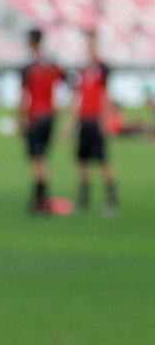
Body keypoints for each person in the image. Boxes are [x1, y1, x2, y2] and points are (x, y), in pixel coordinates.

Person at [70, 30, 118, 215]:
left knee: (102, 161)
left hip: (96, 121)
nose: (88, 46)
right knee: (82, 162)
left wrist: (105, 120)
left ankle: (112, 200)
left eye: (91, 42)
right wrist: (72, 123)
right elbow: (78, 98)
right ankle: (83, 201)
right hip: (84, 120)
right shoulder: (82, 70)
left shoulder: (102, 69)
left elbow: (105, 96)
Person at [18, 28, 65, 214]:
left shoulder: (29, 68)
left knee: (36, 159)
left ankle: (40, 199)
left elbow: (24, 97)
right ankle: (40, 198)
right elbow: (65, 86)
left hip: (35, 117)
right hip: (50, 116)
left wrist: (22, 120)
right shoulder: (53, 66)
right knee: (42, 157)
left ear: (31, 42)